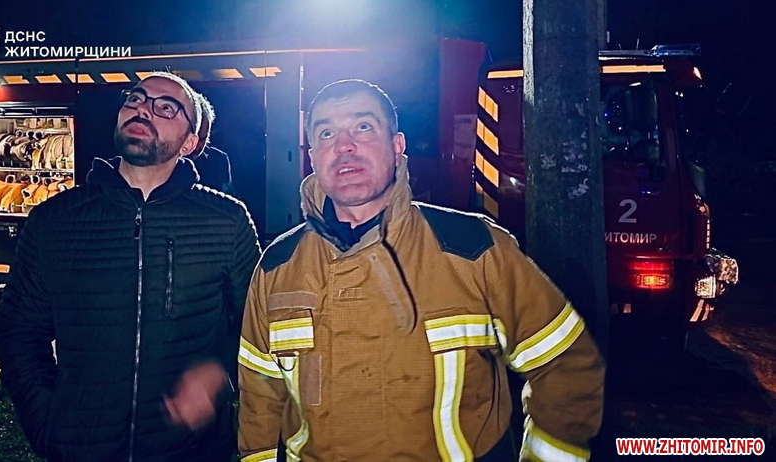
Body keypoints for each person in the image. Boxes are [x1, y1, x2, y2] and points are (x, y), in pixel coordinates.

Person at [237, 79, 605, 461]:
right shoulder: (278, 267)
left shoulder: (474, 250)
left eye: (363, 127)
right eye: (326, 133)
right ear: (313, 156)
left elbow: (567, 365)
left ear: (397, 146)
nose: (344, 145)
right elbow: (259, 401)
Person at [0, 71, 261, 461]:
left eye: (166, 107)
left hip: (191, 450)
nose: (143, 109)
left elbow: (254, 327)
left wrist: (216, 374)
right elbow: (18, 331)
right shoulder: (55, 220)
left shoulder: (227, 221)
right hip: (82, 451)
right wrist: (46, 424)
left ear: (190, 142)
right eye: (136, 98)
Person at [187, 92, 234, 195]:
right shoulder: (160, 158)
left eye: (202, 139)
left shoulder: (219, 160)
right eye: (191, 139)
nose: (197, 146)